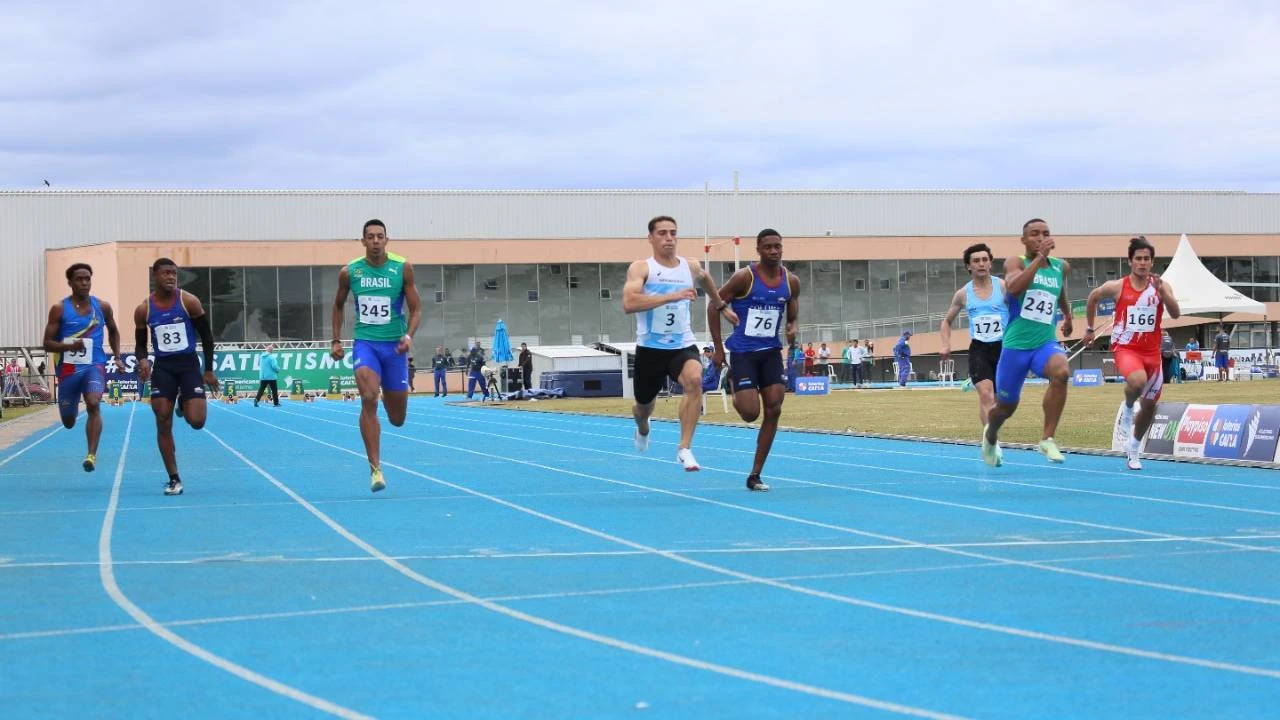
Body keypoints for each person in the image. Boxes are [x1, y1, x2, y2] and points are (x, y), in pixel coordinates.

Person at [623, 215, 737, 471]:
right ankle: (643, 427)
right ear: (650, 238)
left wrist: (721, 306)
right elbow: (629, 303)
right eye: (662, 233)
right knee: (643, 408)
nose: (669, 238)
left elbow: (705, 279)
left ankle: (684, 449)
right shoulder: (642, 268)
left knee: (695, 380)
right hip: (650, 349)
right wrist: (672, 296)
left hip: (682, 345)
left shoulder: (690, 267)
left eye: (673, 233)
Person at [330, 219, 422, 493]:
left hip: (394, 348)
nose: (375, 241)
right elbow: (337, 305)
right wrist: (336, 340)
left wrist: (408, 336)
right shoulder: (350, 272)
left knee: (397, 418)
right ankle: (375, 469)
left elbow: (416, 309)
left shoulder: (402, 268)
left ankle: (385, 390)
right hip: (366, 344)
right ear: (363, 241)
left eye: (380, 236)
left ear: (386, 240)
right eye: (370, 237)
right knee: (368, 398)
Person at [709, 228, 799, 491]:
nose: (773, 251)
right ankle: (734, 381)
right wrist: (718, 349)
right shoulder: (744, 277)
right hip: (744, 352)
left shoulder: (791, 281)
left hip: (770, 351)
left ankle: (755, 474)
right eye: (768, 247)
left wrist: (792, 326)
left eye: (777, 246)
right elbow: (713, 306)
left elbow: (792, 309)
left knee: (774, 408)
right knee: (750, 414)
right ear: (758, 249)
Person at [982, 218, 1074, 466]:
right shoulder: (1016, 262)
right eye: (1034, 234)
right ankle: (990, 434)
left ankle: (1047, 438)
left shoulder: (1060, 267)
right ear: (1023, 239)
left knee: (1061, 373)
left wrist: (1067, 314)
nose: (1041, 238)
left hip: (1044, 342)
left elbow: (1058, 290)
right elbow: (1013, 288)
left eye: (1045, 233)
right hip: (1016, 347)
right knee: (1006, 407)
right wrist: (1039, 259)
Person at [1084, 236, 1181, 470]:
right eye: (1138, 258)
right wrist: (1089, 328)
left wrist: (1164, 293)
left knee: (1149, 407)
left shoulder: (1161, 286)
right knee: (1137, 381)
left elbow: (1176, 314)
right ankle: (1128, 406)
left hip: (1152, 353)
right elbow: (1093, 297)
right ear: (1130, 261)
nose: (1142, 263)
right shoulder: (1118, 286)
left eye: (1147, 259)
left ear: (1152, 262)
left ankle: (1134, 448)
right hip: (1126, 348)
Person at [134, 258, 219, 496]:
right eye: (166, 273)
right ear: (155, 276)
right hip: (163, 368)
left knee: (197, 422)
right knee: (162, 419)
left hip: (188, 366)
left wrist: (208, 370)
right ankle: (174, 478)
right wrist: (143, 360)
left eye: (174, 273)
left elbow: (207, 336)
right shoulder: (144, 309)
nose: (171, 277)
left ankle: (183, 402)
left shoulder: (189, 301)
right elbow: (140, 345)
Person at [41, 262, 123, 472]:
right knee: (68, 421)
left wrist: (117, 357)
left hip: (94, 365)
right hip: (68, 369)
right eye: (79, 279)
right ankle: (70, 408)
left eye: (87, 278)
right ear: (70, 283)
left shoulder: (102, 307)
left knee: (94, 403)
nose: (84, 283)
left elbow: (114, 331)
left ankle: (91, 455)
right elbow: (47, 343)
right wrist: (68, 346)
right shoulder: (59, 309)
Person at [940, 243, 1009, 427]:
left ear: (990, 263)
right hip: (979, 349)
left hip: (1004, 348)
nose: (981, 263)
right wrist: (946, 344)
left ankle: (991, 431)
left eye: (985, 260)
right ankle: (990, 439)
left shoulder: (1004, 287)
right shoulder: (963, 294)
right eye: (976, 260)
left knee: (999, 400)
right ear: (968, 266)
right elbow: (946, 321)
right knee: (986, 395)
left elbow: (1019, 314)